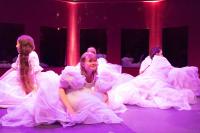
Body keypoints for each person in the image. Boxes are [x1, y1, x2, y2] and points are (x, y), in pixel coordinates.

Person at [1, 52, 122, 127]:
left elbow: (103, 91)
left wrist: (105, 102)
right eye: (90, 60)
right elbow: (61, 89)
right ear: (83, 64)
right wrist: (69, 107)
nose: (94, 62)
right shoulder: (74, 73)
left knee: (97, 105)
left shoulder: (96, 77)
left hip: (83, 97)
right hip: (70, 97)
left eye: (95, 60)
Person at [108, 47, 197, 110]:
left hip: (144, 79)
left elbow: (140, 72)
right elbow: (170, 69)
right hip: (156, 80)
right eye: (161, 53)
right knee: (160, 90)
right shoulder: (161, 59)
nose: (162, 55)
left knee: (135, 87)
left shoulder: (146, 59)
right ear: (158, 53)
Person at [0, 35, 59, 108]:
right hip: (21, 81)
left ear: (23, 45)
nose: (16, 46)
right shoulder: (20, 56)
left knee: (29, 98)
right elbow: (13, 69)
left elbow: (36, 72)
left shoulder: (32, 55)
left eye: (17, 44)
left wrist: (37, 87)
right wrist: (1, 78)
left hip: (30, 81)